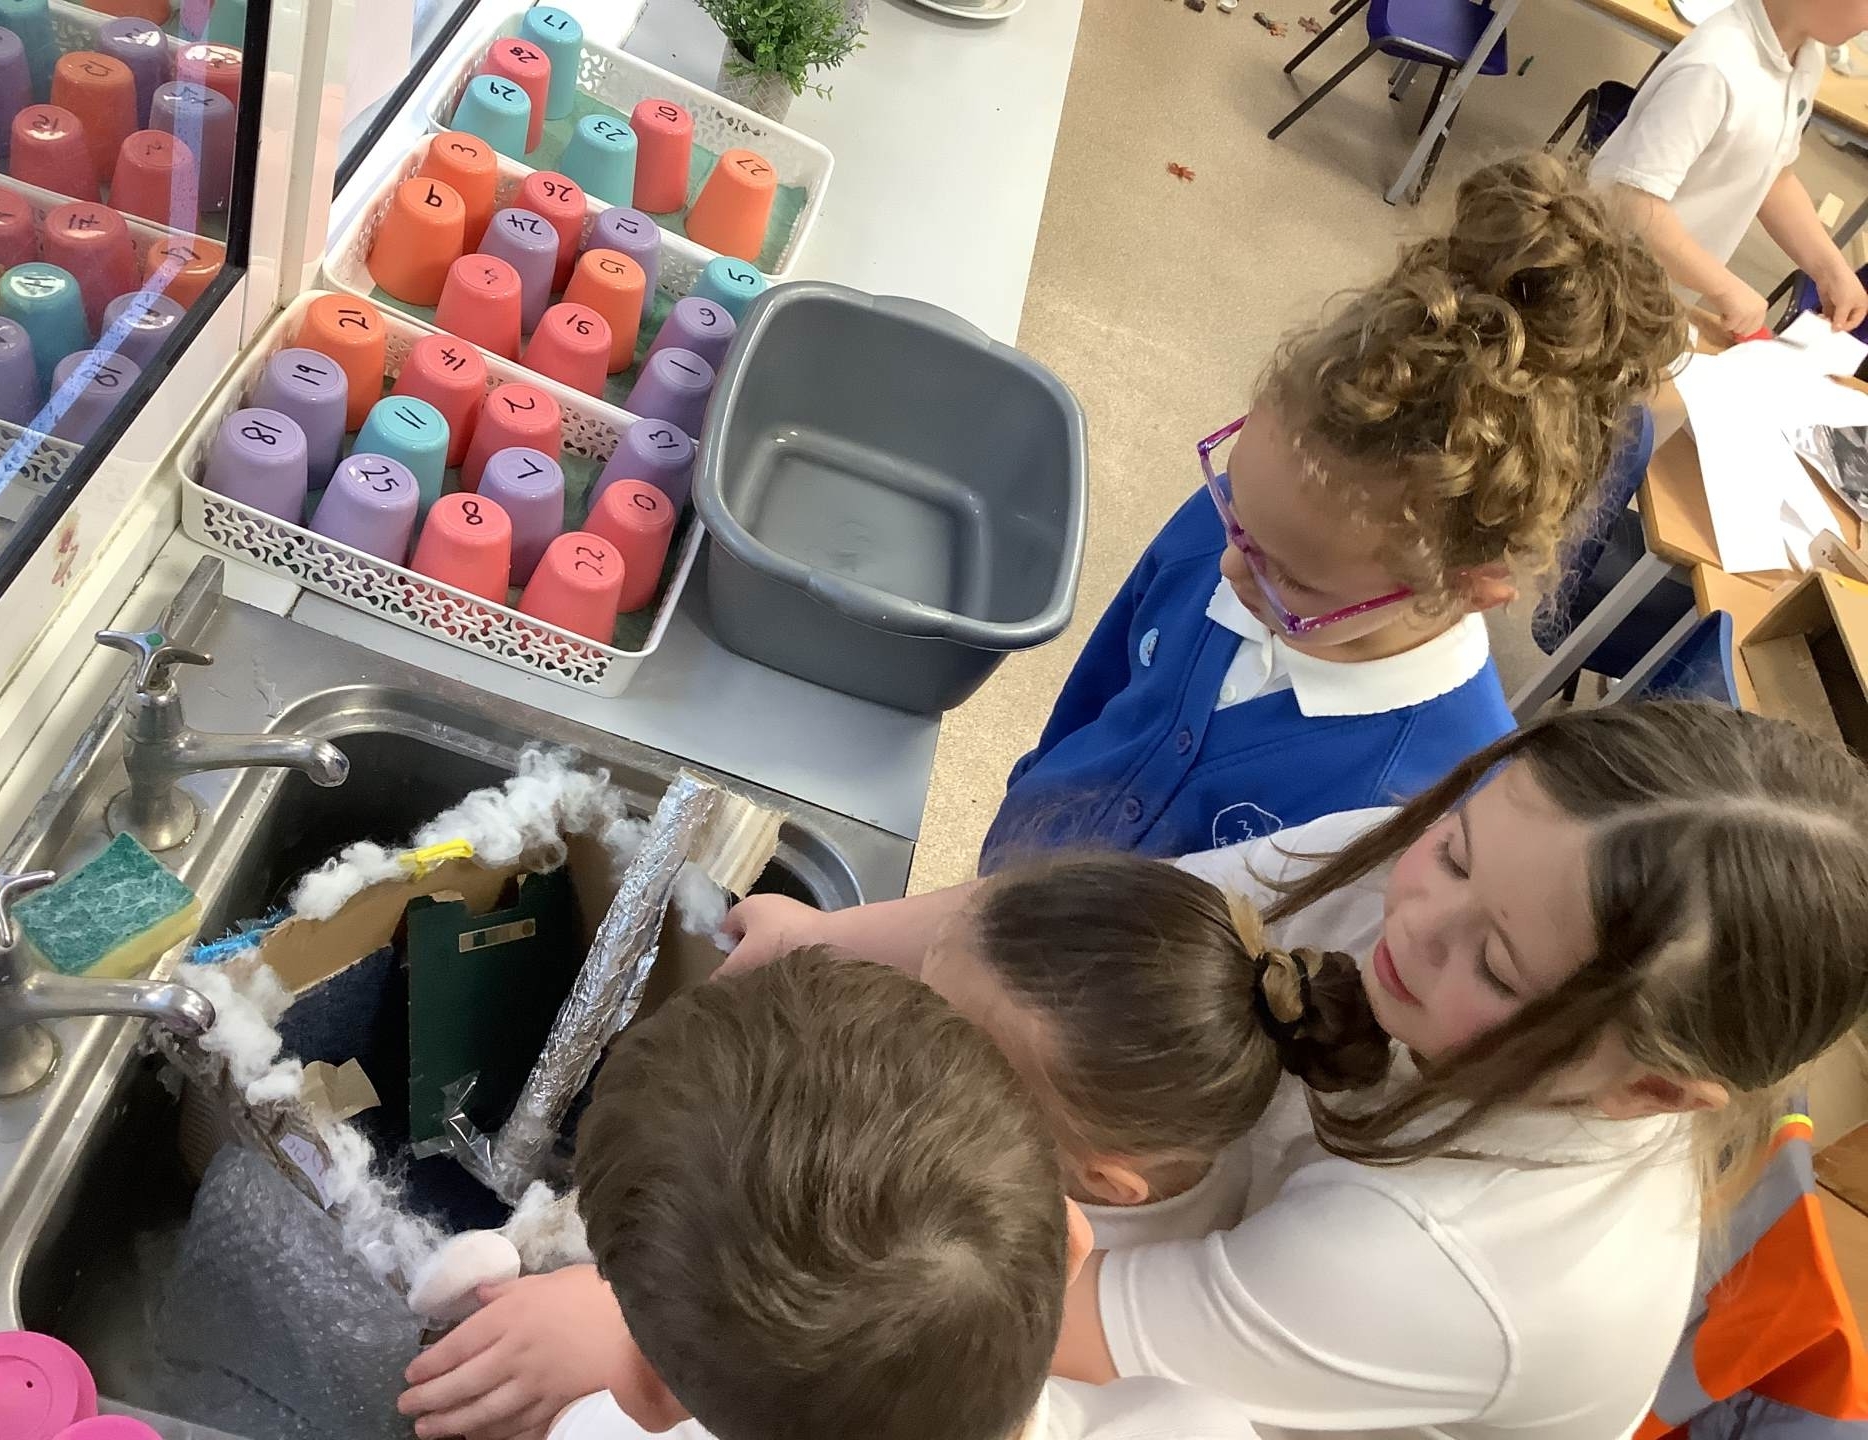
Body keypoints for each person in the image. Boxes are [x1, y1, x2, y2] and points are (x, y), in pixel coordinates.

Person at [726, 702, 1868, 1439]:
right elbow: (1062, 932)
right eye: (1454, 848)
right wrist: (816, 938)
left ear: (1649, 1092)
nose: (1412, 921)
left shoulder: (1450, 1269)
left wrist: (697, 1284)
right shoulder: (1441, 882)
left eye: (1497, 965)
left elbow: (985, 1314)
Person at [981, 153, 1684, 869]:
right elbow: (1096, 695)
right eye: (1232, 509)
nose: (1229, 565)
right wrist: (1026, 797)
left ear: (1470, 586)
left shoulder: (1440, 806)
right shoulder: (1254, 524)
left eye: (1295, 582)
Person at [397, 949, 1255, 1440]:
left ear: (658, 1395)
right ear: (1072, 1244)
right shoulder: (1200, 1427)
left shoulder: (601, 1430)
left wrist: (610, 1378)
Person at [923, 855, 1390, 1244]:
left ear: (1105, 1181)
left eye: (940, 1062)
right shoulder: (1179, 1128)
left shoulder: (1014, 1240)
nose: (902, 1030)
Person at [1589, 0, 1868, 340]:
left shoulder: (1806, 57)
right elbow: (1635, 202)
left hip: (1657, 294)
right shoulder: (1714, 67)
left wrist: (1830, 268)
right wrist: (1723, 287)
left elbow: (1773, 177)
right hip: (1599, 279)